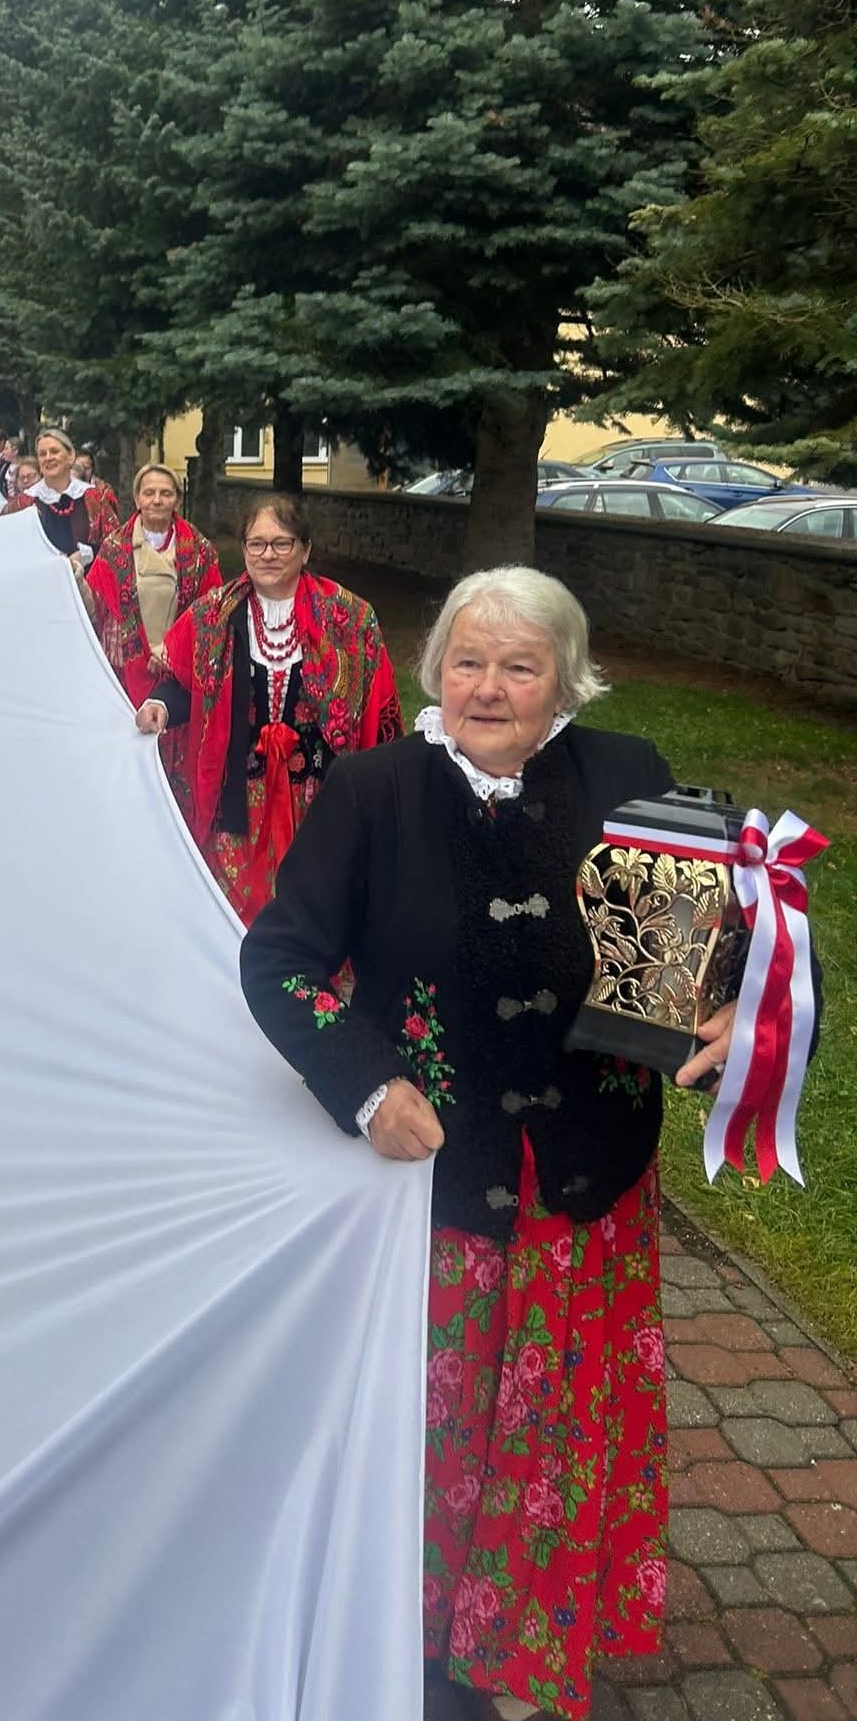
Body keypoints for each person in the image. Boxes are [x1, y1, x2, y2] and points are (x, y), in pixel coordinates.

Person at [238, 567, 758, 1721]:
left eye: (520, 666)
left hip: (590, 1176)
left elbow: (681, 969)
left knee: (558, 1422)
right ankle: (418, 1636)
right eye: (467, 661)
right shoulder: (374, 788)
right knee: (441, 1423)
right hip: (440, 1186)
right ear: (436, 671)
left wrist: (727, 1010)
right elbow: (278, 962)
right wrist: (367, 1082)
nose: (488, 686)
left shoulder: (627, 776)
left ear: (564, 680)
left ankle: (528, 1633)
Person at [135, 495, 401, 921]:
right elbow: (185, 683)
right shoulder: (212, 616)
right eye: (256, 544)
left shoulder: (350, 619)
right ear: (243, 549)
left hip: (315, 796)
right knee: (230, 913)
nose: (268, 555)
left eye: (282, 543)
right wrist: (160, 706)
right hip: (236, 795)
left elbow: (377, 707)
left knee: (314, 902)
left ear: (305, 550)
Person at [85, 463, 221, 708]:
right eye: (149, 493)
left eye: (166, 493)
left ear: (178, 501)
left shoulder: (200, 550)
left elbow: (212, 611)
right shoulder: (113, 548)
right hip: (123, 671)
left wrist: (173, 649)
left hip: (177, 671)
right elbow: (95, 606)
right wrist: (73, 578)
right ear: (137, 499)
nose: (157, 500)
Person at [4, 428, 118, 561]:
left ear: (71, 456)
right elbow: (7, 546)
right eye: (42, 454)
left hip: (89, 573)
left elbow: (115, 544)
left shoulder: (94, 498)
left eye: (54, 451)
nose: (48, 458)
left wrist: (88, 554)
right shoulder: (24, 502)